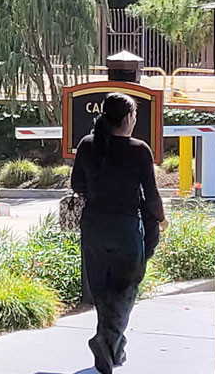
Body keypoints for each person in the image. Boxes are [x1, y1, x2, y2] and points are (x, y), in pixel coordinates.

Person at [71, 93, 166, 373]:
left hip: (93, 226)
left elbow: (78, 183)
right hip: (125, 228)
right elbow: (151, 194)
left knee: (102, 290)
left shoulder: (88, 145)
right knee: (124, 289)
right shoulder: (138, 150)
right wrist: (161, 219)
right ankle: (106, 340)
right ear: (127, 118)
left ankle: (114, 348)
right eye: (134, 115)